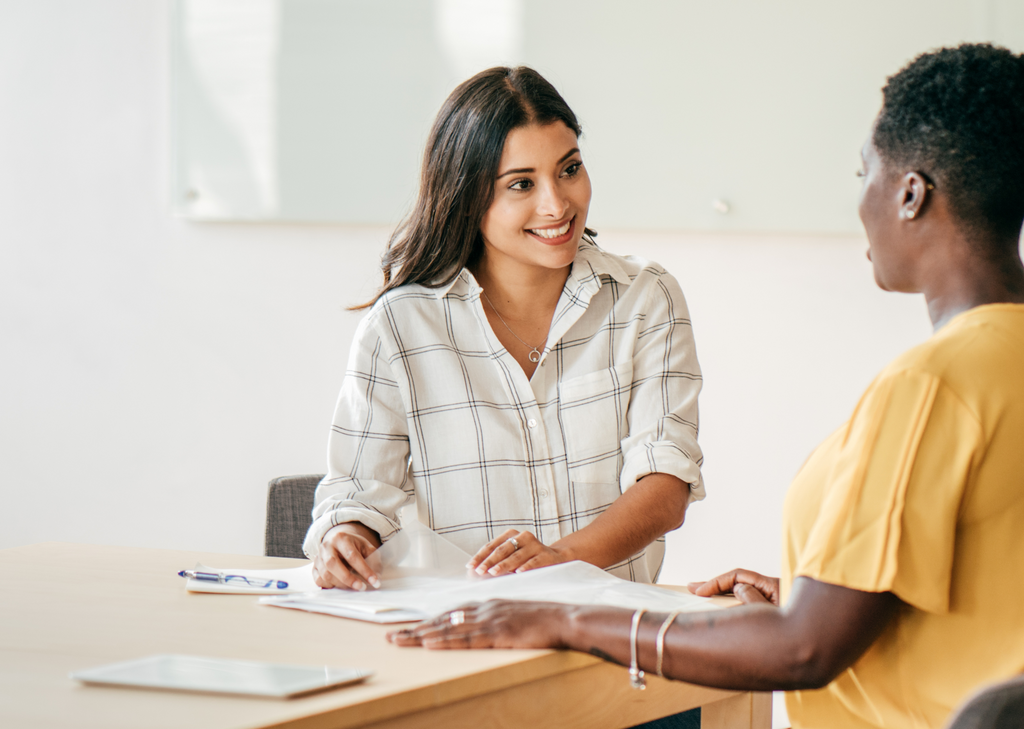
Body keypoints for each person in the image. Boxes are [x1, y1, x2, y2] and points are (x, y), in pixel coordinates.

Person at [386, 43, 1024, 729]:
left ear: (910, 193)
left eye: (864, 173)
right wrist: (807, 597)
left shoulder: (927, 388)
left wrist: (567, 617)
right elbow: (983, 590)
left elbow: (804, 651)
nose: (858, 199)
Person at [304, 67, 705, 593]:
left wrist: (557, 560)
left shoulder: (644, 297)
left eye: (569, 169)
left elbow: (665, 484)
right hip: (465, 632)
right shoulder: (401, 328)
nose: (557, 205)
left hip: (610, 633)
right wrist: (345, 537)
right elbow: (356, 492)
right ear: (467, 196)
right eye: (521, 184)